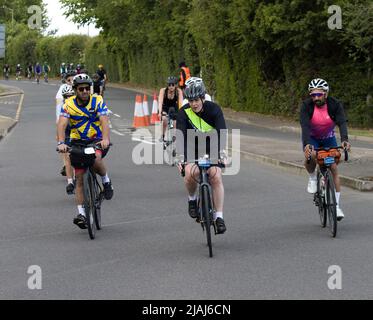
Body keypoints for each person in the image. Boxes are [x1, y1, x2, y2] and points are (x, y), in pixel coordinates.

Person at [57, 74, 114, 229]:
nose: (84, 91)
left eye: (87, 88)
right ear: (75, 90)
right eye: (81, 88)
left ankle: (106, 181)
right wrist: (61, 143)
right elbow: (62, 124)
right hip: (78, 142)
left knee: (96, 159)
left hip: (97, 139)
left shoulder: (97, 100)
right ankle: (82, 214)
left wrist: (105, 139)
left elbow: (104, 120)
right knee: (80, 178)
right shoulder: (68, 104)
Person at [176, 78, 227, 234]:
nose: (194, 104)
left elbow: (221, 133)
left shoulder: (214, 109)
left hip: (211, 147)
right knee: (190, 174)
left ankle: (219, 217)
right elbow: (180, 136)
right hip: (191, 148)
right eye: (191, 101)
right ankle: (192, 199)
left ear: (203, 98)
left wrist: (221, 153)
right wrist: (181, 158)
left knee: (216, 176)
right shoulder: (183, 113)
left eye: (197, 100)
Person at [300, 78, 351, 221]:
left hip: (328, 138)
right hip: (312, 138)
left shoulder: (335, 105)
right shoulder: (306, 106)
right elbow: (305, 126)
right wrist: (307, 144)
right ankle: (312, 178)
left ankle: (337, 206)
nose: (316, 98)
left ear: (326, 94)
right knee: (312, 156)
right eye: (313, 95)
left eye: (319, 94)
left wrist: (345, 140)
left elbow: (341, 122)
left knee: (333, 166)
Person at [56, 71, 76, 178]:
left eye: (73, 79)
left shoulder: (81, 88)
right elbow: (59, 109)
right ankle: (65, 164)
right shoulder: (62, 91)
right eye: (69, 80)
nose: (72, 82)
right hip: (66, 122)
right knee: (64, 143)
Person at [158, 76, 183, 142]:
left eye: (173, 85)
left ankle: (174, 136)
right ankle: (162, 135)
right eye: (169, 85)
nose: (171, 86)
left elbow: (181, 103)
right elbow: (160, 102)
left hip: (174, 107)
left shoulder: (178, 91)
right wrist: (160, 112)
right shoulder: (163, 90)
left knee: (175, 122)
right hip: (165, 107)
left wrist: (181, 112)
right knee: (164, 120)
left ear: (175, 85)